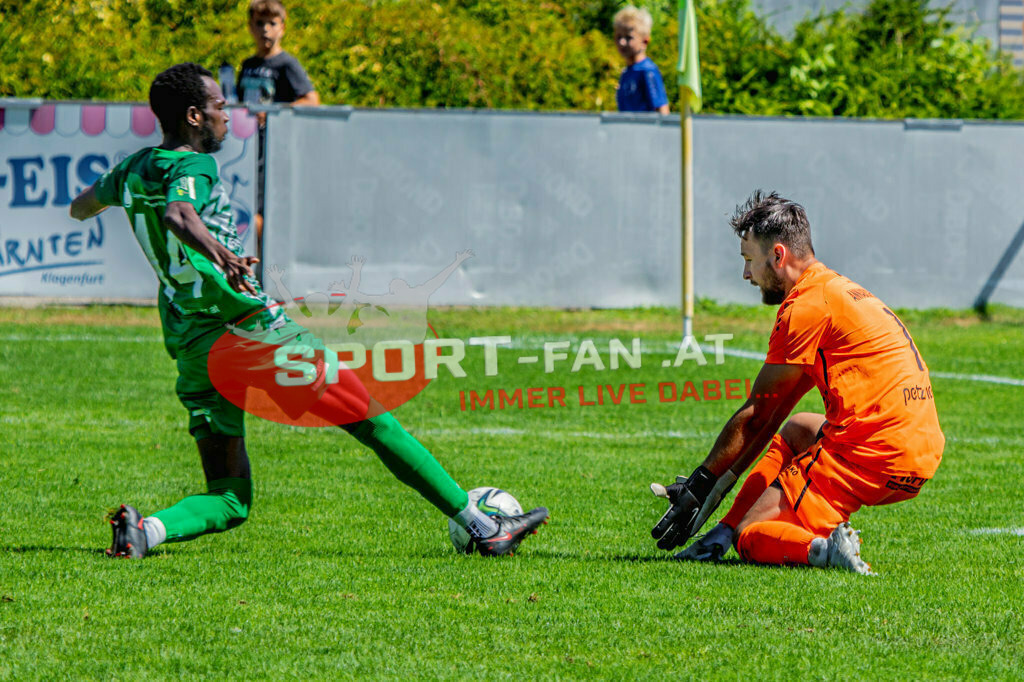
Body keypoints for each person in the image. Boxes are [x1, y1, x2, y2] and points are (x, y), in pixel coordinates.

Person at [70, 62, 548, 559]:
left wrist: (117, 197)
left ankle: (143, 532)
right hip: (252, 336)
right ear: (193, 116)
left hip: (194, 351)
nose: (226, 116)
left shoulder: (131, 170)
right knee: (373, 422)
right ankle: (484, 528)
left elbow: (81, 206)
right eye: (218, 107)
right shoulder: (194, 165)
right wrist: (224, 255)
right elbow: (178, 212)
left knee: (231, 499)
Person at [650, 191, 944, 575]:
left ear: (777, 255)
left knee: (752, 536)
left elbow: (756, 414)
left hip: (872, 454)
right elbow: (773, 417)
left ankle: (823, 549)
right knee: (800, 426)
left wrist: (701, 482)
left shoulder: (804, 307)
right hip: (920, 452)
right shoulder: (834, 289)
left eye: (748, 261)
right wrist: (718, 489)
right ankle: (723, 533)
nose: (745, 275)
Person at [236, 0, 319, 108]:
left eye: (272, 23)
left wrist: (274, 113)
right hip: (247, 124)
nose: (265, 29)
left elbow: (311, 101)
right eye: (259, 23)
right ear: (250, 26)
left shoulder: (287, 63)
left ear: (282, 28)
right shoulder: (248, 64)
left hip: (276, 124)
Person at [613, 6, 669, 114]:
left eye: (629, 37)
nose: (622, 42)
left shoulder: (647, 71)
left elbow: (662, 112)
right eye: (618, 37)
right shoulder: (626, 73)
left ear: (645, 41)